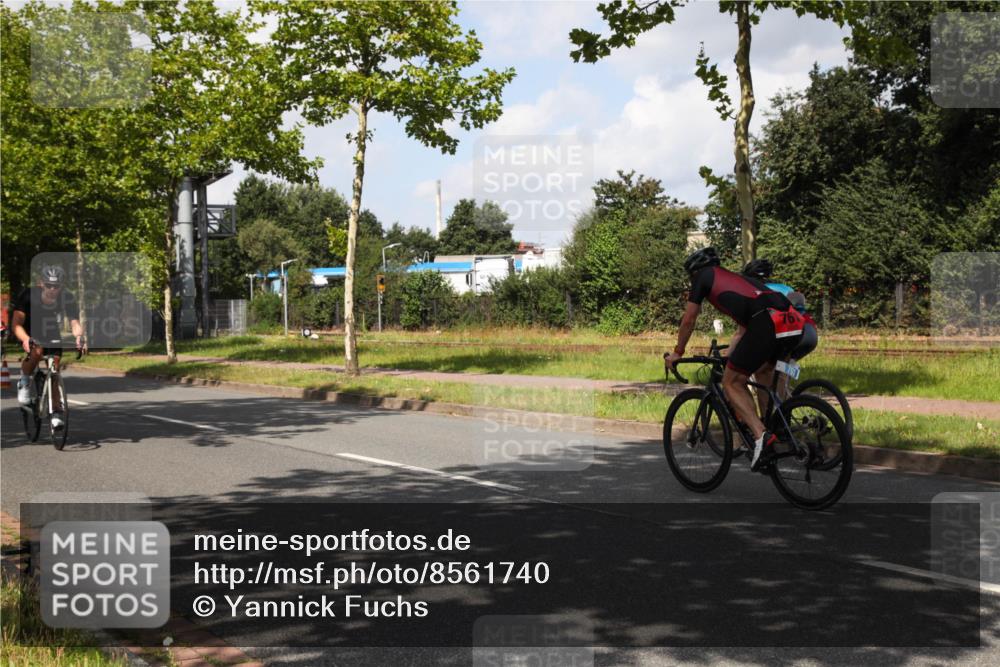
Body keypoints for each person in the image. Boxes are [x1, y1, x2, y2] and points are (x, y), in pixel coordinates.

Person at [664, 248, 804, 471]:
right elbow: (746, 330)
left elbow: (689, 318)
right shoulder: (736, 278)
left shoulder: (703, 277)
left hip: (766, 322)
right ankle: (778, 429)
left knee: (731, 382)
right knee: (763, 374)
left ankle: (761, 437)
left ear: (694, 272)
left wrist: (678, 352)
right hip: (793, 321)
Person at [10, 265, 85, 429]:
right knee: (36, 350)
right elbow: (16, 324)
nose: (52, 289)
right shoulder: (28, 295)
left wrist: (79, 337)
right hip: (28, 328)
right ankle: (24, 382)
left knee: (55, 369)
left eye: (56, 286)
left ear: (61, 286)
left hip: (50, 330)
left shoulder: (67, 297)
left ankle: (56, 410)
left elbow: (74, 322)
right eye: (48, 285)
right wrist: (25, 339)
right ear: (41, 284)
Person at [742, 258, 818, 361]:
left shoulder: (757, 291)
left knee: (758, 366)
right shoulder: (786, 288)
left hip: (788, 334)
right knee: (781, 368)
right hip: (810, 332)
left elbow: (745, 328)